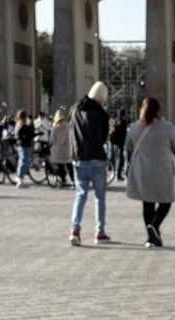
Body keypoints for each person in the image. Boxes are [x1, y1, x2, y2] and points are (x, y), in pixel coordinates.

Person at [125, 97, 175, 248]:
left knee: (147, 204)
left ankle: (151, 238)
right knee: (166, 201)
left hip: (142, 171)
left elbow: (128, 145)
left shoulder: (135, 127)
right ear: (158, 110)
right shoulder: (166, 127)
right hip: (162, 171)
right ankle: (155, 225)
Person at [70, 81, 112, 246]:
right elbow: (102, 138)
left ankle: (75, 230)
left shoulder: (74, 109)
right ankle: (99, 232)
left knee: (80, 195)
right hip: (97, 160)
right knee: (99, 198)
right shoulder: (101, 114)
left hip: (79, 159)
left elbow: (70, 129)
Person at [49, 109, 75, 187]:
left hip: (58, 149)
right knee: (69, 165)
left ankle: (63, 180)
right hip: (67, 149)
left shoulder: (55, 127)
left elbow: (52, 139)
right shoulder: (68, 126)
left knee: (60, 165)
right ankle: (73, 180)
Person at [13, 109, 36, 188]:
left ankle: (20, 177)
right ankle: (19, 177)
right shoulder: (24, 125)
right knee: (24, 161)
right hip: (25, 145)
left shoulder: (18, 124)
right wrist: (31, 126)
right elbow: (30, 134)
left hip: (21, 145)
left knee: (23, 161)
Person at [109, 108, 129, 180]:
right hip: (120, 143)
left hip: (113, 142)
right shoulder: (124, 122)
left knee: (113, 157)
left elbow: (111, 131)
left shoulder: (114, 121)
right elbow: (124, 134)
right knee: (121, 159)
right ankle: (119, 175)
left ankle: (113, 172)